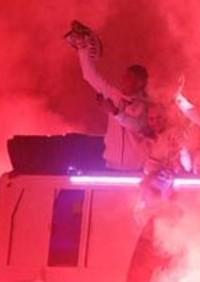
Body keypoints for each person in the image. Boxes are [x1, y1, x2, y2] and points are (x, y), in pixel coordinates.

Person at [65, 21, 152, 171]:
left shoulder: (148, 106)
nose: (123, 79)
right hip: (111, 167)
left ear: (140, 83)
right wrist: (82, 49)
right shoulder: (114, 95)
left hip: (137, 171)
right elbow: (90, 76)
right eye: (124, 76)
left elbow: (137, 126)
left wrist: (115, 112)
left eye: (129, 77)